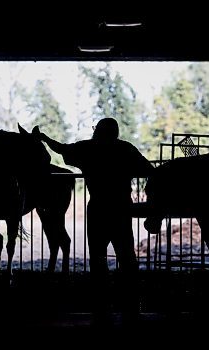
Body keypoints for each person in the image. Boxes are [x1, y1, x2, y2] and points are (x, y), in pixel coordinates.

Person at [35, 117, 153, 324]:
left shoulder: (87, 149)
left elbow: (62, 149)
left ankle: (101, 309)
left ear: (97, 131)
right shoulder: (126, 149)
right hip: (121, 208)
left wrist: (44, 138)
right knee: (127, 258)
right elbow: (148, 170)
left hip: (98, 209)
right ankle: (131, 307)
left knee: (98, 260)